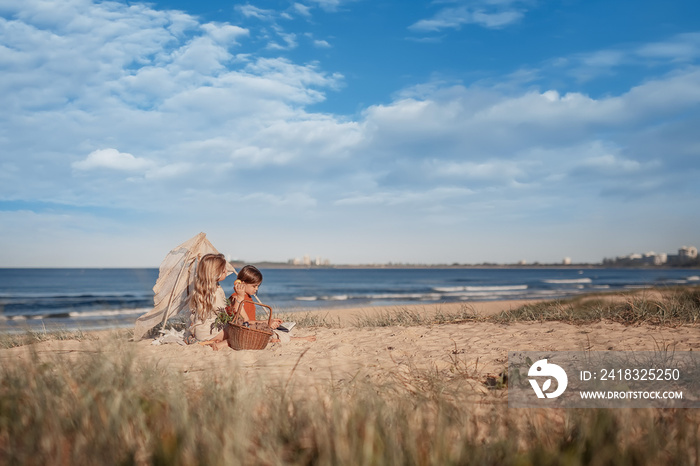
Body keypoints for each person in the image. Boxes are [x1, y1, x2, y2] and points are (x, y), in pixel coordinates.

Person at [231, 265, 315, 343]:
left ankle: (277, 338)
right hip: (245, 331)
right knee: (274, 334)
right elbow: (246, 323)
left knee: (283, 331)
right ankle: (297, 339)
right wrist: (267, 322)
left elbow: (251, 320)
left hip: (252, 328)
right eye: (254, 286)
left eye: (258, 286)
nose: (256, 289)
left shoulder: (248, 297)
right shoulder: (237, 298)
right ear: (242, 283)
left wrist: (271, 321)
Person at [187, 253, 229, 350]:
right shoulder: (216, 292)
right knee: (236, 335)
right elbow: (223, 315)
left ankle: (209, 341)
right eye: (223, 271)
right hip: (211, 332)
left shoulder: (200, 289)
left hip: (200, 332)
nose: (226, 271)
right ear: (215, 274)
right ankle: (219, 344)